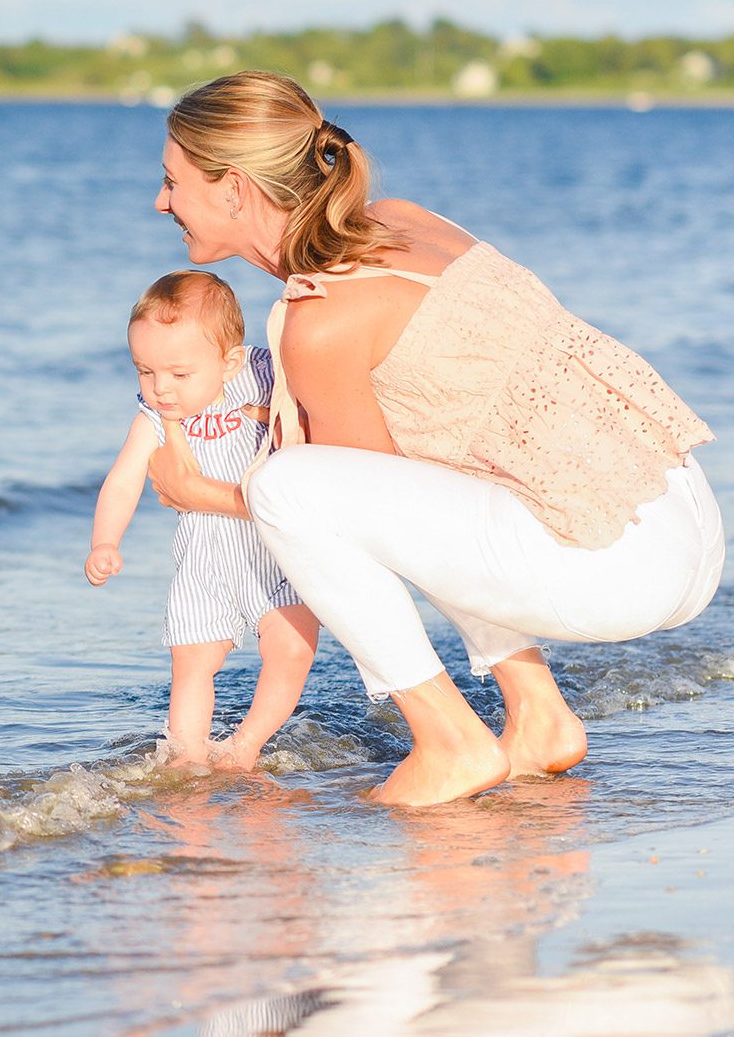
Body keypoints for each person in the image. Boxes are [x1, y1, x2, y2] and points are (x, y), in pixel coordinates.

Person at [147, 70, 720, 806]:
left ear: (233, 189)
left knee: (284, 488)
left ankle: (449, 743)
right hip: (678, 512)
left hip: (619, 564)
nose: (161, 201)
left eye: (173, 181)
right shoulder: (404, 219)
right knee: (429, 469)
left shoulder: (322, 319)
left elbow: (355, 510)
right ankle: (538, 715)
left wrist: (204, 493)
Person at [86, 270, 321, 769]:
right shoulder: (152, 419)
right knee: (192, 661)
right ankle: (187, 754)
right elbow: (123, 480)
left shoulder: (260, 375)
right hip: (204, 556)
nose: (161, 389)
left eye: (179, 374)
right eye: (145, 372)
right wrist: (104, 541)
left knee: (292, 646)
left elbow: (309, 370)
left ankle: (245, 745)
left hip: (275, 550)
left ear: (229, 361)